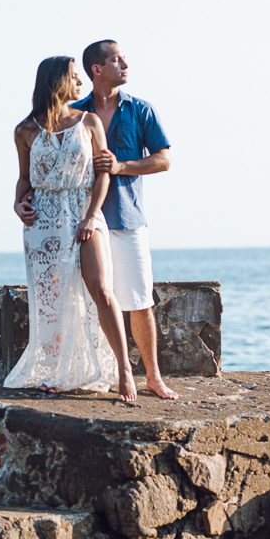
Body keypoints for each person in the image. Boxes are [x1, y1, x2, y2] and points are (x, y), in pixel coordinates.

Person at [5, 56, 137, 402]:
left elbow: (103, 173)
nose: (81, 85)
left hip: (83, 213)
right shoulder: (25, 130)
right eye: (74, 78)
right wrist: (18, 205)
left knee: (101, 289)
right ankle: (54, 370)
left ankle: (124, 370)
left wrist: (93, 216)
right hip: (43, 222)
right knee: (51, 300)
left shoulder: (89, 122)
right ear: (57, 82)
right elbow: (24, 179)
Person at [77, 39, 178, 401]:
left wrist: (120, 167)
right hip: (82, 223)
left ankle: (153, 377)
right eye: (116, 60)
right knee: (90, 302)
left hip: (127, 218)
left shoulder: (141, 110)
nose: (125, 65)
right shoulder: (75, 113)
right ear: (96, 70)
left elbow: (163, 159)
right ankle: (102, 373)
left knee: (139, 301)